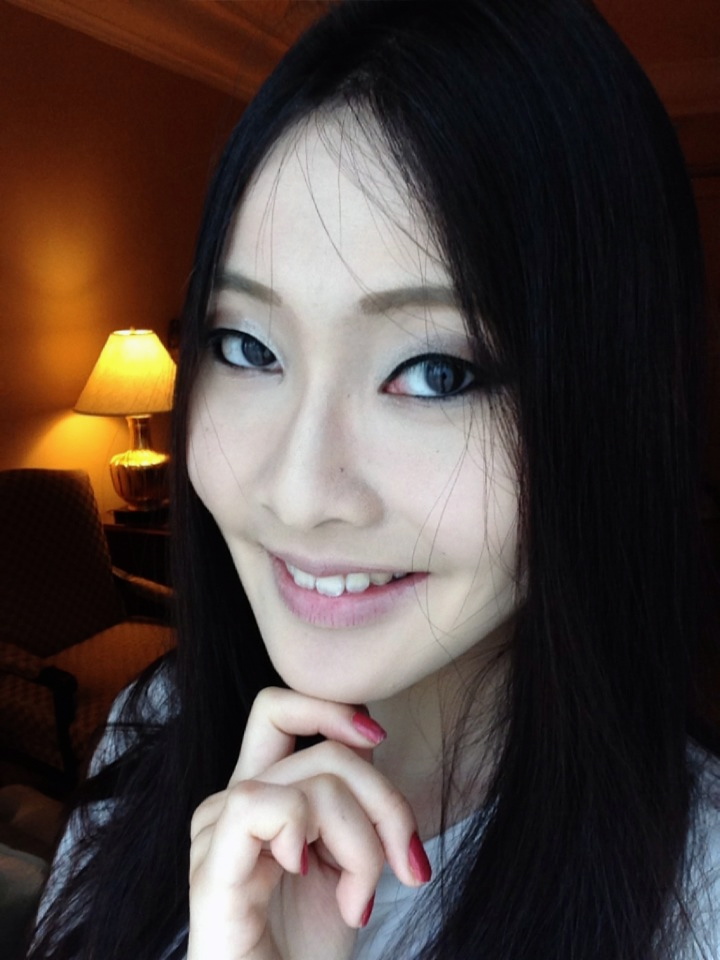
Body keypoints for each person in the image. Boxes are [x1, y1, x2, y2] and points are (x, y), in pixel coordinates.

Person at [29, 1, 720, 958]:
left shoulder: (700, 899)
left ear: (617, 403)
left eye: (436, 373)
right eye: (248, 347)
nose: (299, 492)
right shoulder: (157, 726)